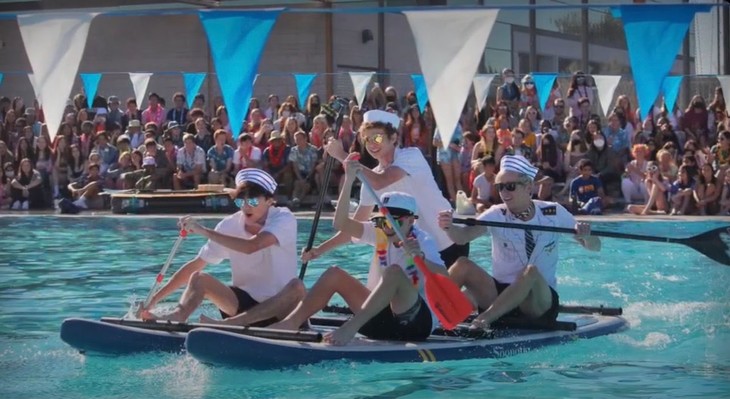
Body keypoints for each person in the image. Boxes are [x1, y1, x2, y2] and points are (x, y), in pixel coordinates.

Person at [270, 154, 446, 345]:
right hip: (378, 319)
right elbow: (341, 223)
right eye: (383, 220)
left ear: (411, 221)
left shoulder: (423, 241)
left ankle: (349, 329)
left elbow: (446, 277)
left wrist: (420, 256)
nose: (387, 227)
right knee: (334, 273)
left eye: (395, 221)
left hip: (414, 324)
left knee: (394, 273)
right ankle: (290, 323)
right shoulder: (379, 232)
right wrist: (348, 181)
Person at [437, 155, 600, 330]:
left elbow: (595, 247)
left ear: (528, 187)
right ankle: (431, 316)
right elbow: (462, 237)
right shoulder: (495, 214)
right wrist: (448, 227)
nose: (504, 193)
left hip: (537, 302)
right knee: (462, 264)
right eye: (500, 187)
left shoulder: (553, 212)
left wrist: (587, 236)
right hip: (499, 296)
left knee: (530, 271)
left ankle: (484, 319)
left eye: (510, 187)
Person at [139, 168, 304, 326]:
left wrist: (204, 231)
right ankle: (178, 316)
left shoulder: (284, 218)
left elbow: (252, 246)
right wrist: (155, 299)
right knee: (198, 278)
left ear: (269, 201)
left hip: (282, 310)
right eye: (241, 201)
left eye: (253, 201)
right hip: (241, 305)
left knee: (297, 287)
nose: (246, 207)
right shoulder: (229, 224)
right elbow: (196, 265)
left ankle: (228, 325)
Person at [315, 109, 469, 269]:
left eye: (377, 137)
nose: (371, 144)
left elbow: (381, 181)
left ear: (393, 137)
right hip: (420, 253)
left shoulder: (411, 156)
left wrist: (341, 155)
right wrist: (319, 250)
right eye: (367, 139)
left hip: (451, 243)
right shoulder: (370, 177)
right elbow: (354, 227)